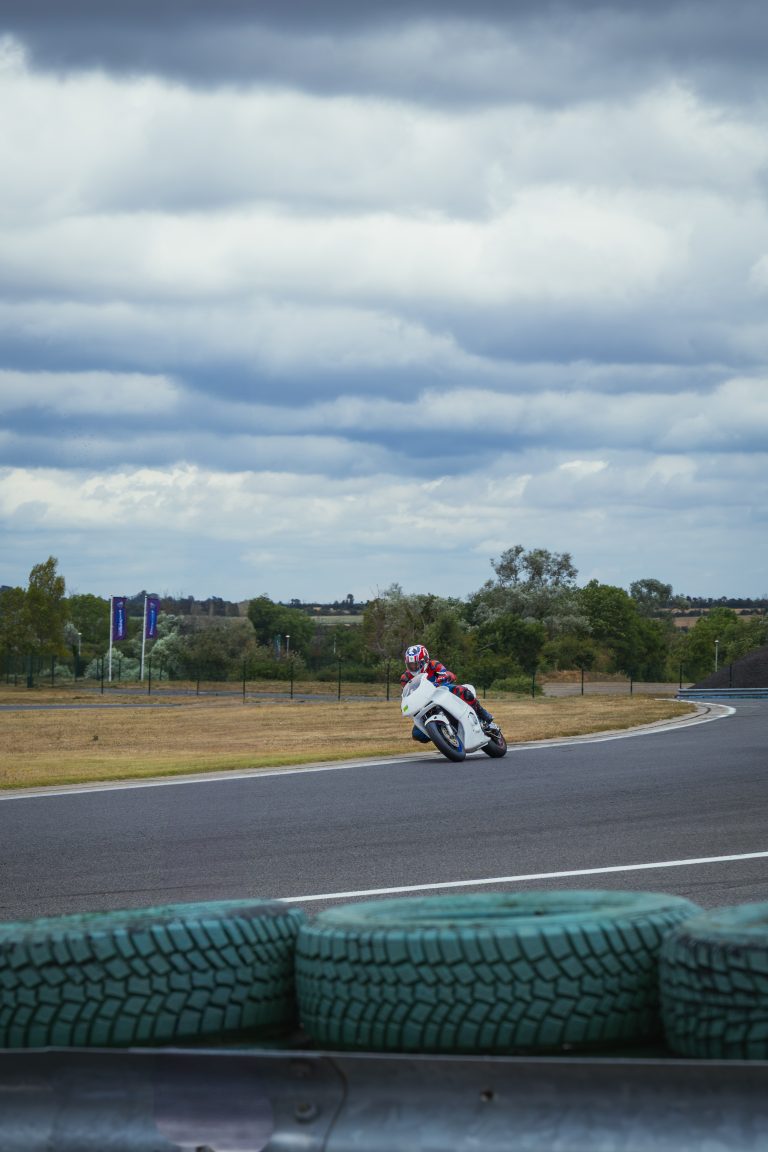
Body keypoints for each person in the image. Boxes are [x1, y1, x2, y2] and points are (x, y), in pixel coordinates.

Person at [401, 644, 499, 741]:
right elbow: (407, 693)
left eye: (416, 664)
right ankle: (441, 734)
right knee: (417, 734)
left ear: (425, 660)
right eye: (410, 665)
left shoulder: (433, 664)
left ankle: (484, 715)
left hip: (442, 691)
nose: (413, 667)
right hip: (424, 703)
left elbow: (446, 673)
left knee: (464, 692)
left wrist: (442, 677)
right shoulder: (405, 678)